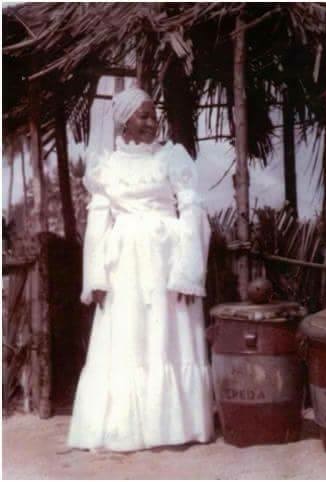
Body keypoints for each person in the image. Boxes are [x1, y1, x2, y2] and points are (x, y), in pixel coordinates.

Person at [68, 86, 214, 451]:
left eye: (154, 114)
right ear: (125, 122)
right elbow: (98, 223)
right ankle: (125, 428)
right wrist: (95, 278)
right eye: (143, 116)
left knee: (169, 336)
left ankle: (175, 428)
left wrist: (188, 272)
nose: (153, 122)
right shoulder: (108, 166)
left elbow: (192, 210)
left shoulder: (173, 158)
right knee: (130, 337)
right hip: (124, 268)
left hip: (168, 261)